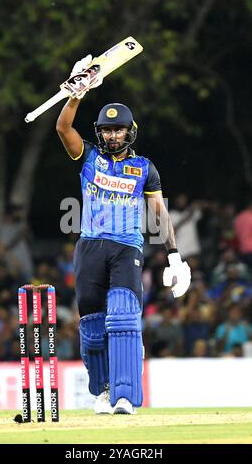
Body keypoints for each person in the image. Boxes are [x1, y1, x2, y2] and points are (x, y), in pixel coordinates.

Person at [56, 54, 191, 415]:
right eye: (106, 130)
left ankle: (126, 395)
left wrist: (175, 256)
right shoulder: (88, 158)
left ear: (129, 132)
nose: (112, 135)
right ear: (99, 133)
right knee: (93, 325)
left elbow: (159, 215)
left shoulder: (144, 168)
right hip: (89, 247)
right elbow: (63, 129)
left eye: (118, 130)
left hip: (126, 246)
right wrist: (76, 94)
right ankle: (101, 391)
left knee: (124, 315)